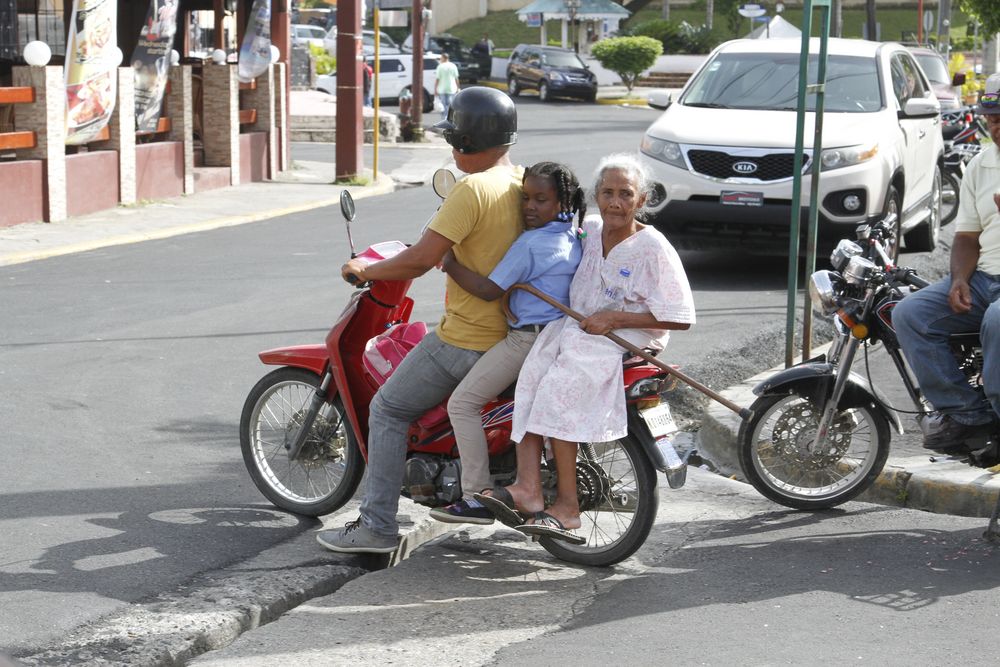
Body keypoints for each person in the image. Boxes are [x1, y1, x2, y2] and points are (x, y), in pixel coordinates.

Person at [316, 87, 522, 554]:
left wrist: (365, 270)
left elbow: (421, 258)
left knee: (386, 409)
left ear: (468, 140)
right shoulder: (525, 182)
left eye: (455, 139)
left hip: (469, 339)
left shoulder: (471, 189)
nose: (451, 149)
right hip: (517, 337)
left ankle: (377, 527)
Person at [475, 153, 696, 542]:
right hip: (578, 327)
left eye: (625, 194)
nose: (615, 202)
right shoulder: (590, 229)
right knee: (531, 377)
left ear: (641, 200)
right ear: (595, 196)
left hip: (626, 336)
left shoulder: (653, 247)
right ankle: (527, 486)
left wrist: (616, 318)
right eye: (608, 193)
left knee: (560, 393)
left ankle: (568, 507)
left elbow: (680, 315)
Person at [428, 162, 586, 525]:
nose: (529, 207)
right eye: (525, 198)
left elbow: (488, 290)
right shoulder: (574, 236)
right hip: (559, 338)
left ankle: (475, 495)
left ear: (561, 200)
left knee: (462, 404)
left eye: (540, 200)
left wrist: (448, 261)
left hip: (526, 341)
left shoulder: (531, 244)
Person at [893, 73, 1000, 452]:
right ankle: (968, 415)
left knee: (996, 321)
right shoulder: (982, 165)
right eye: (991, 117)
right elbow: (967, 237)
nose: (995, 125)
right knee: (909, 313)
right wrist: (959, 280)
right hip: (987, 279)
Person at [435, 52, 460, 119]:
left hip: (442, 89)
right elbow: (456, 78)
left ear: (443, 58)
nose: (440, 59)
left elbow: (437, 79)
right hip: (451, 89)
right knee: (450, 105)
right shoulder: (453, 66)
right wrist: (458, 87)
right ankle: (449, 118)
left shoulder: (440, 66)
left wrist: (435, 89)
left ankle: (444, 118)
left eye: (441, 58)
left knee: (443, 105)